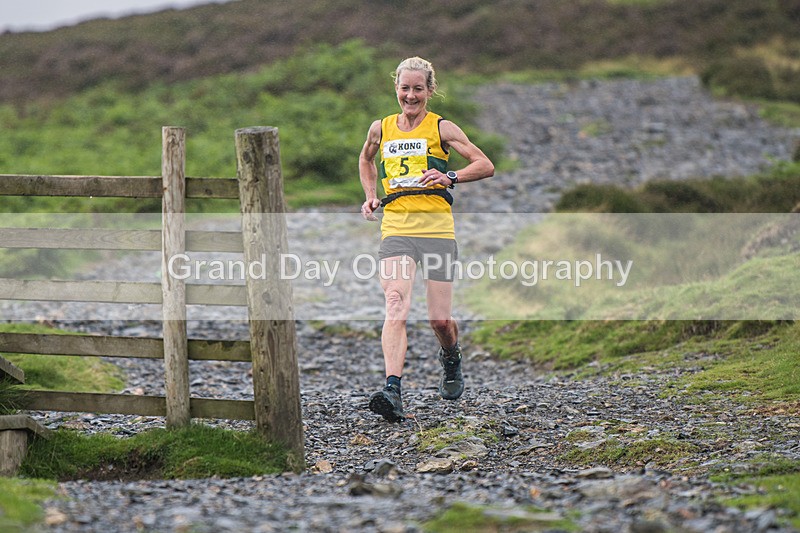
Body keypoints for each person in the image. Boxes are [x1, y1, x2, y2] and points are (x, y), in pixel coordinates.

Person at [358, 56, 494, 423]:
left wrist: (450, 177)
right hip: (397, 227)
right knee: (395, 301)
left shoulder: (442, 128)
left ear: (430, 91)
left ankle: (451, 358)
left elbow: (485, 164)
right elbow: (366, 160)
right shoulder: (381, 128)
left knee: (439, 320)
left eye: (419, 88)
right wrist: (371, 195)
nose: (411, 95)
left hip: (436, 230)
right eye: (405, 88)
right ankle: (392, 390)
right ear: (396, 89)